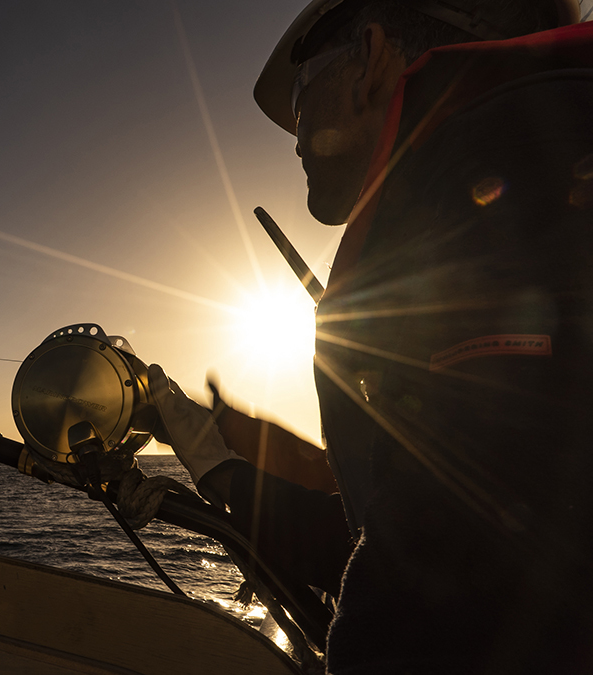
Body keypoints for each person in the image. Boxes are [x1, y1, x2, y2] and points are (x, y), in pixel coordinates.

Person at [134, 1, 593, 672]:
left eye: (300, 91)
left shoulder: (501, 185)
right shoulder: (526, 165)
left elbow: (450, 607)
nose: (294, 133)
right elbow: (419, 537)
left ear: (372, 59)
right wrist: (221, 463)